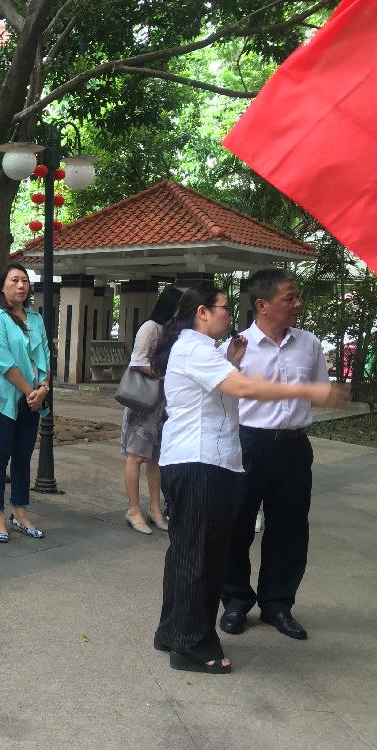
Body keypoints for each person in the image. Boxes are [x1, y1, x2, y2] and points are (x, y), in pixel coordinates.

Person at [149, 282, 344, 674]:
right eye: (223, 307)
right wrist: (306, 389)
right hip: (200, 461)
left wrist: (233, 362)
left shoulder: (203, 349)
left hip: (201, 460)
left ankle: (173, 631)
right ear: (202, 312)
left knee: (188, 552)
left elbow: (218, 393)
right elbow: (241, 388)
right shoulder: (195, 348)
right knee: (201, 556)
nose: (229, 315)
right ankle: (192, 646)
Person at [219, 269, 330, 641]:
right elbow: (219, 398)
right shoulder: (236, 347)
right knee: (236, 525)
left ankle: (277, 604)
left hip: (294, 447)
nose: (297, 304)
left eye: (297, 297)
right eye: (289, 298)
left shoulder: (309, 344)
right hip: (247, 443)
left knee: (290, 528)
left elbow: (319, 390)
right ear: (262, 305)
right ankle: (235, 600)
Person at [0, 263, 49, 543]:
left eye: (25, 281)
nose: (21, 286)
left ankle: (19, 511)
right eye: (14, 280)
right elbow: (4, 362)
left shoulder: (36, 319)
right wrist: (32, 392)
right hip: (2, 398)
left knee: (23, 456)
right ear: (2, 286)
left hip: (32, 399)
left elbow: (45, 356)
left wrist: (43, 388)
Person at [121, 287, 182, 534]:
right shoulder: (150, 328)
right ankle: (133, 510)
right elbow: (137, 361)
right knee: (136, 455)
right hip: (144, 401)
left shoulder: (174, 331)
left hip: (162, 404)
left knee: (156, 457)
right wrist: (166, 375)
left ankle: (156, 510)